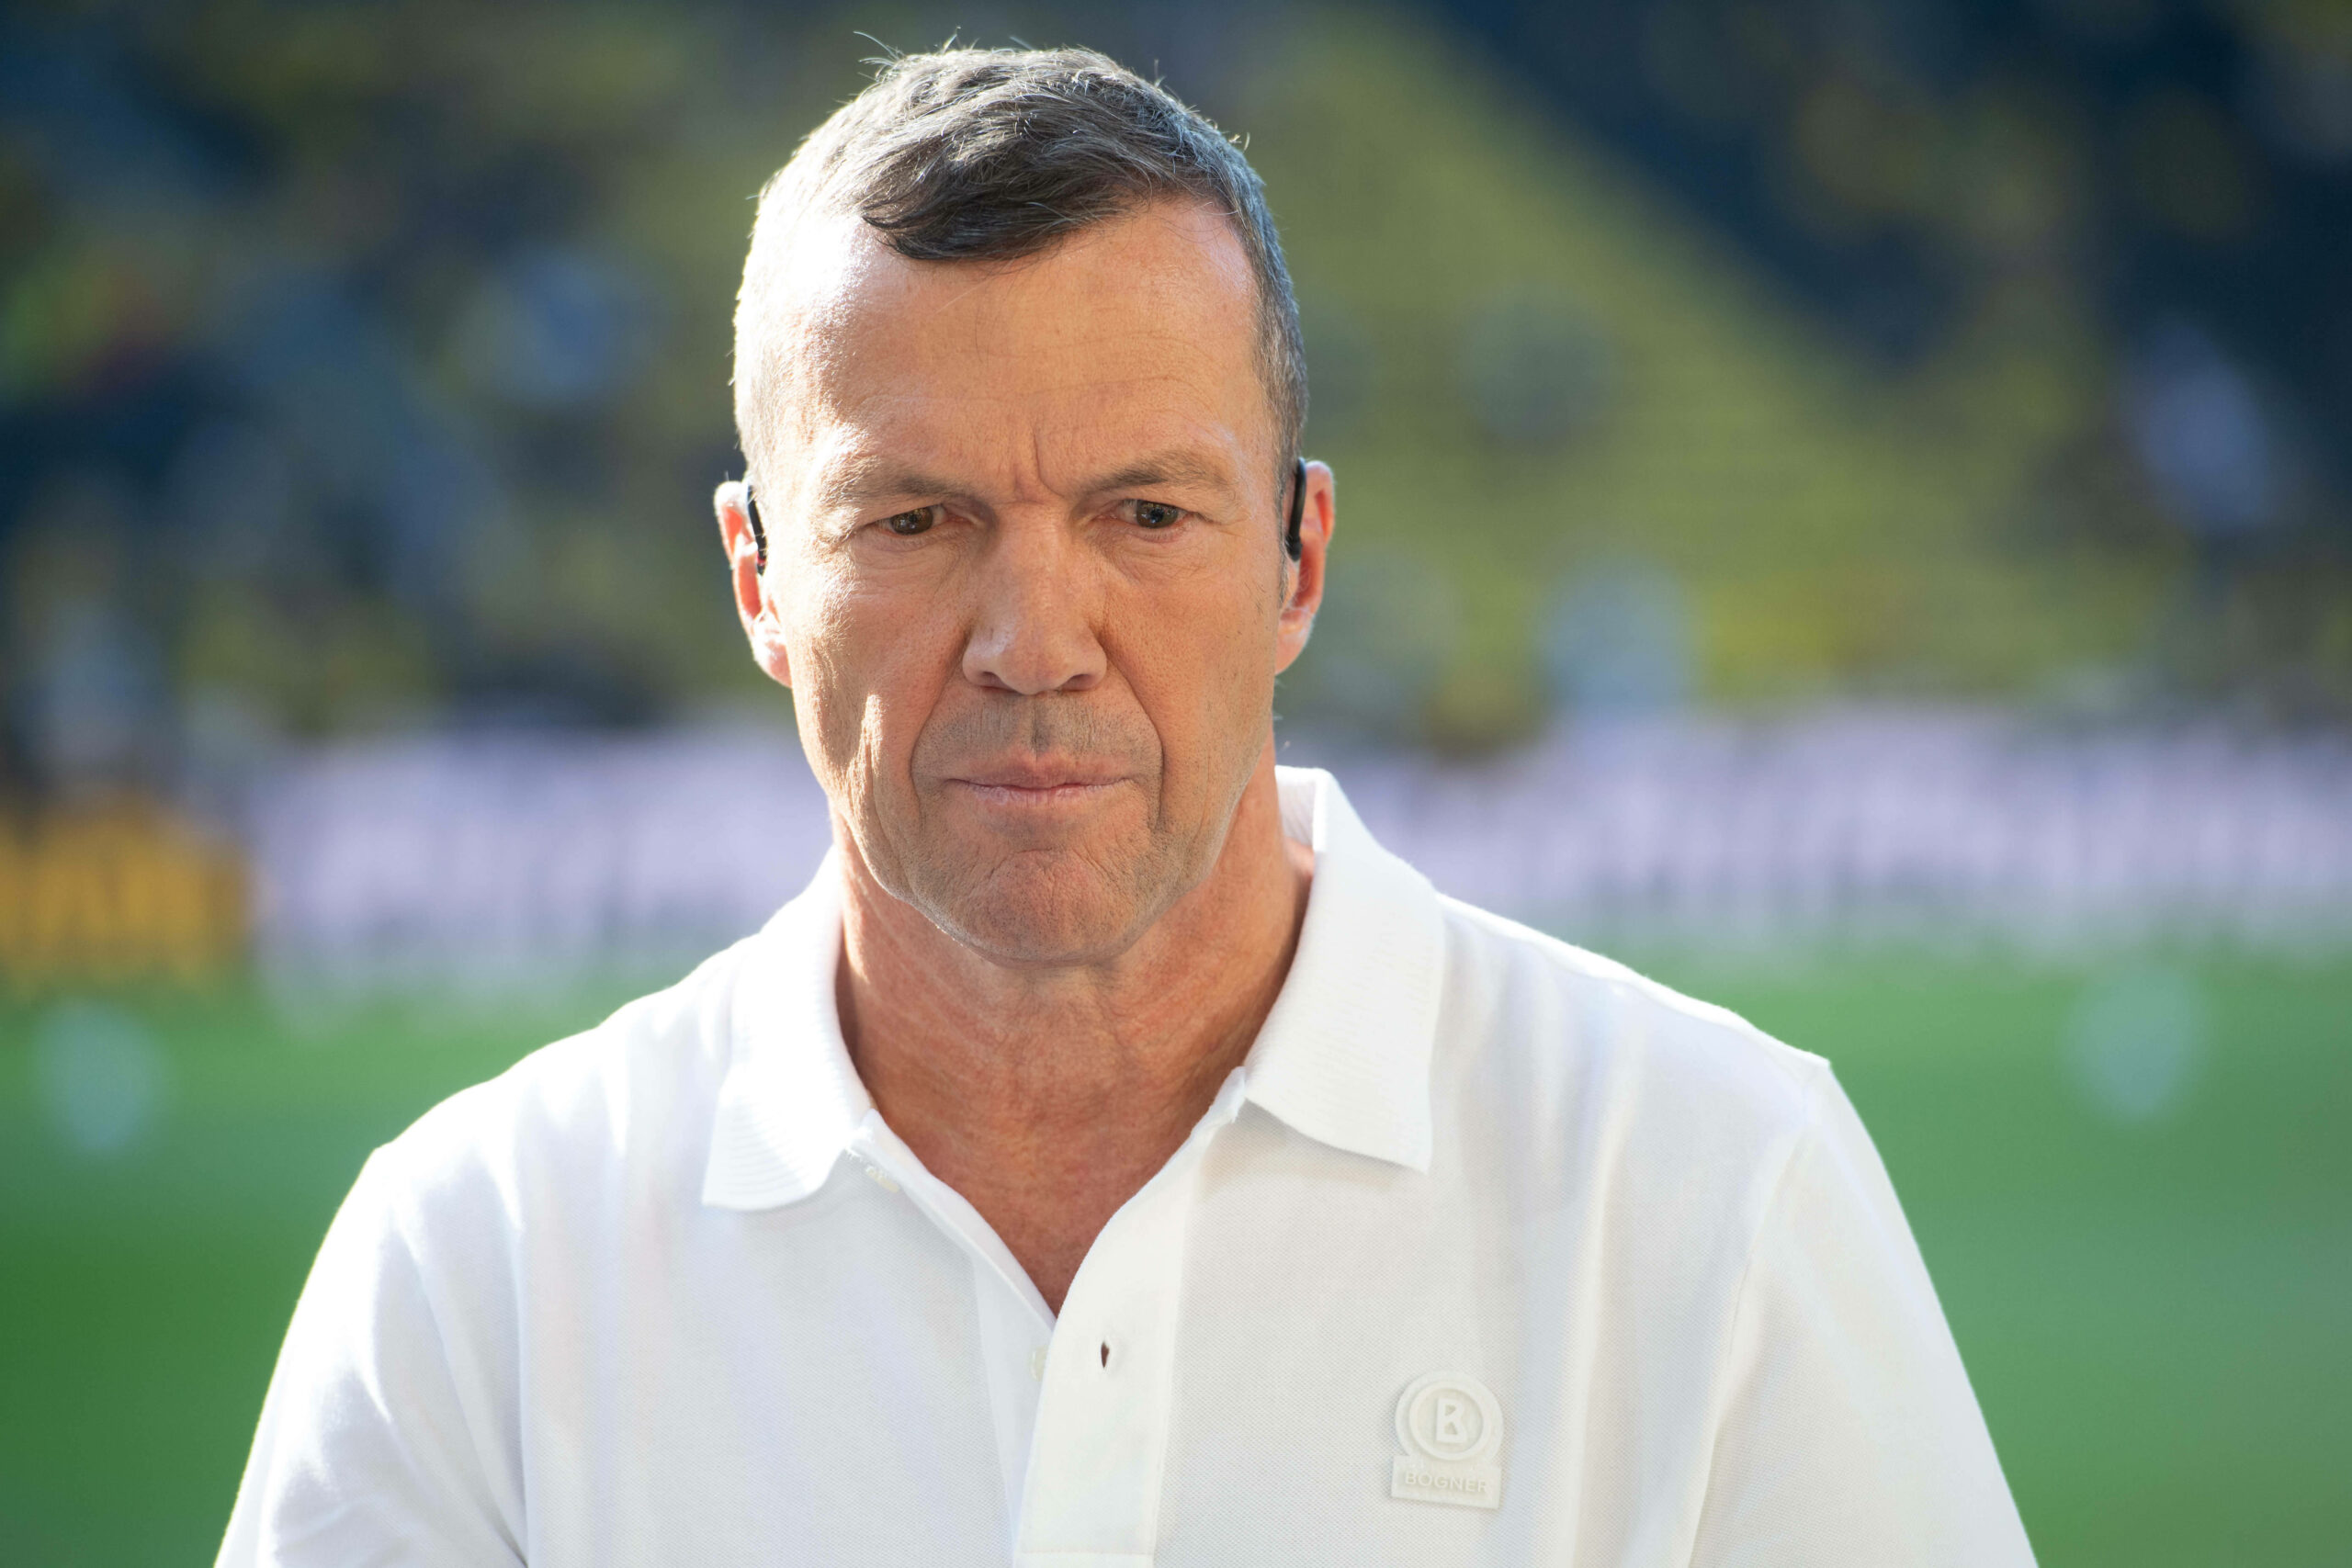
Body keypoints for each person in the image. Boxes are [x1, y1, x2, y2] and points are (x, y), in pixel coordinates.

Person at [219, 46, 2034, 1566]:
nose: (1031, 641)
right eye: (912, 520)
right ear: (759, 575)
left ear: (1300, 557)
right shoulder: (477, 1257)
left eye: (1143, 515)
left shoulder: (1708, 1182)